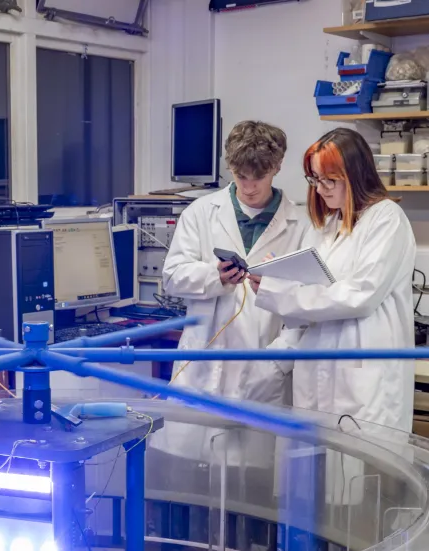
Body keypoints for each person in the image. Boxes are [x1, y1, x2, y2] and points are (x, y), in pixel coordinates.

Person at [150, 121, 309, 467]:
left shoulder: (302, 224)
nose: (249, 187)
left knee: (252, 488)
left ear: (277, 167)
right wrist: (213, 276)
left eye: (259, 177)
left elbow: (307, 304)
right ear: (230, 167)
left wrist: (277, 366)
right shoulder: (202, 213)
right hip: (202, 367)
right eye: (241, 176)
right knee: (190, 479)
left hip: (263, 368)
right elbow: (173, 277)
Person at [249, 128, 416, 435]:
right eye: (314, 179)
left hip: (364, 374)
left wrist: (283, 293)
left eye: (330, 180)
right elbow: (310, 293)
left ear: (355, 174)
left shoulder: (386, 219)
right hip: (317, 370)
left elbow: (359, 295)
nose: (321, 188)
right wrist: (277, 280)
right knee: (317, 473)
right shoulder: (327, 225)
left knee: (360, 475)